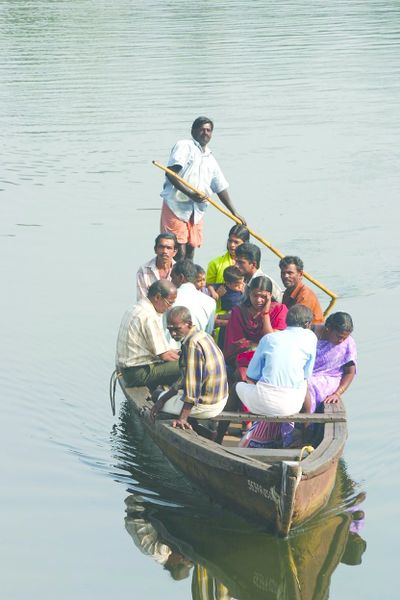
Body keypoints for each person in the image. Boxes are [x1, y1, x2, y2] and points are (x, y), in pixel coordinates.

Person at [160, 116, 245, 261]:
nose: (205, 133)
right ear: (193, 131)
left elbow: (220, 187)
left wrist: (234, 212)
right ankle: (177, 280)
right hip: (177, 207)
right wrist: (190, 193)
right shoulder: (185, 145)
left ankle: (189, 282)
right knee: (178, 250)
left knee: (191, 250)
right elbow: (170, 173)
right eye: (202, 129)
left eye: (208, 130)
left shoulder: (210, 158)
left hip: (196, 211)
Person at [150, 307, 229, 430]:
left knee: (156, 395)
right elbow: (186, 377)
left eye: (177, 329)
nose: (173, 334)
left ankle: (194, 424)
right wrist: (167, 396)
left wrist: (182, 418)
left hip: (207, 405)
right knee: (164, 396)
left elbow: (193, 387)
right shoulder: (202, 334)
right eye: (170, 330)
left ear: (189, 324)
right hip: (221, 398)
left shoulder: (192, 344)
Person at [235, 304, 317, 420]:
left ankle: (218, 433)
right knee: (303, 383)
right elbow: (306, 374)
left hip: (262, 404)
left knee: (237, 386)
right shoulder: (311, 338)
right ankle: (306, 426)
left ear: (287, 321)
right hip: (292, 406)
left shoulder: (269, 338)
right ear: (308, 324)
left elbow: (251, 375)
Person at [115, 280, 180, 389]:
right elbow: (165, 355)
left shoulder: (136, 307)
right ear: (158, 297)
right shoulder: (149, 316)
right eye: (169, 303)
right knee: (188, 366)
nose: (170, 307)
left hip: (127, 369)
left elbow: (163, 350)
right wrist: (188, 360)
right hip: (136, 373)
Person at [223, 276, 288, 371]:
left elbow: (272, 340)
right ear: (249, 294)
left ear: (270, 295)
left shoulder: (280, 310)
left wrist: (265, 313)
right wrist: (256, 347)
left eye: (263, 296)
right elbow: (235, 343)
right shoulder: (239, 311)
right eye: (255, 295)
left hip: (271, 357)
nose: (258, 300)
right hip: (245, 358)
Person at [305, 311, 357, 413]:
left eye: (345, 337)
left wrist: (337, 393)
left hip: (329, 377)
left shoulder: (348, 343)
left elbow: (349, 372)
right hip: (305, 373)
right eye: (339, 336)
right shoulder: (310, 332)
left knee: (307, 385)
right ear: (328, 329)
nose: (341, 341)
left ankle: (305, 423)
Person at [206, 224, 250, 300]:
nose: (232, 245)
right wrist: (216, 294)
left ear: (245, 244)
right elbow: (206, 291)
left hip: (244, 310)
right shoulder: (215, 263)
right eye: (230, 241)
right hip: (220, 310)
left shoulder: (250, 264)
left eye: (236, 242)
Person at [171, 259, 216, 334]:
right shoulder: (210, 302)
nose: (171, 281)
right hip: (199, 344)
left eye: (173, 277)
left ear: (181, 277)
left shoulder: (169, 299)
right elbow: (208, 332)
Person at [279, 255, 324, 324]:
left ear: (300, 274)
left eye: (290, 273)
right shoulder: (288, 292)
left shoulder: (305, 296)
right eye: (283, 273)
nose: (285, 276)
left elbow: (297, 323)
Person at [136, 233, 178, 300]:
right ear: (155, 249)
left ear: (174, 252)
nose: (165, 251)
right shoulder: (144, 270)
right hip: (149, 309)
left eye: (169, 248)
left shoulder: (179, 271)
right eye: (161, 247)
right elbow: (142, 300)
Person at [213, 265, 245, 349]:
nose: (241, 286)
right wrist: (216, 294)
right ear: (228, 283)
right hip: (227, 315)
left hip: (238, 315)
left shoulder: (244, 289)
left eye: (242, 282)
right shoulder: (223, 288)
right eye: (237, 285)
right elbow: (209, 286)